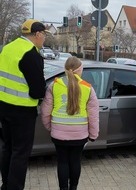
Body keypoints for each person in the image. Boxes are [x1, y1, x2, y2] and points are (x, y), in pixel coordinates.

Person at [0, 19, 47, 190]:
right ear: (37, 34)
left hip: (3, 106)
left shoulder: (8, 48)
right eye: (44, 36)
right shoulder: (31, 54)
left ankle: (6, 184)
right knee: (20, 153)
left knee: (7, 148)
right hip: (22, 111)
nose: (44, 39)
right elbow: (37, 92)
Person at [40, 56, 99, 190]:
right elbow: (94, 115)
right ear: (79, 70)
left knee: (62, 162)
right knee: (75, 161)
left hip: (58, 134)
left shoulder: (54, 86)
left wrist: (50, 127)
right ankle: (73, 188)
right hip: (80, 135)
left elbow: (45, 111)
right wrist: (93, 134)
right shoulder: (88, 88)